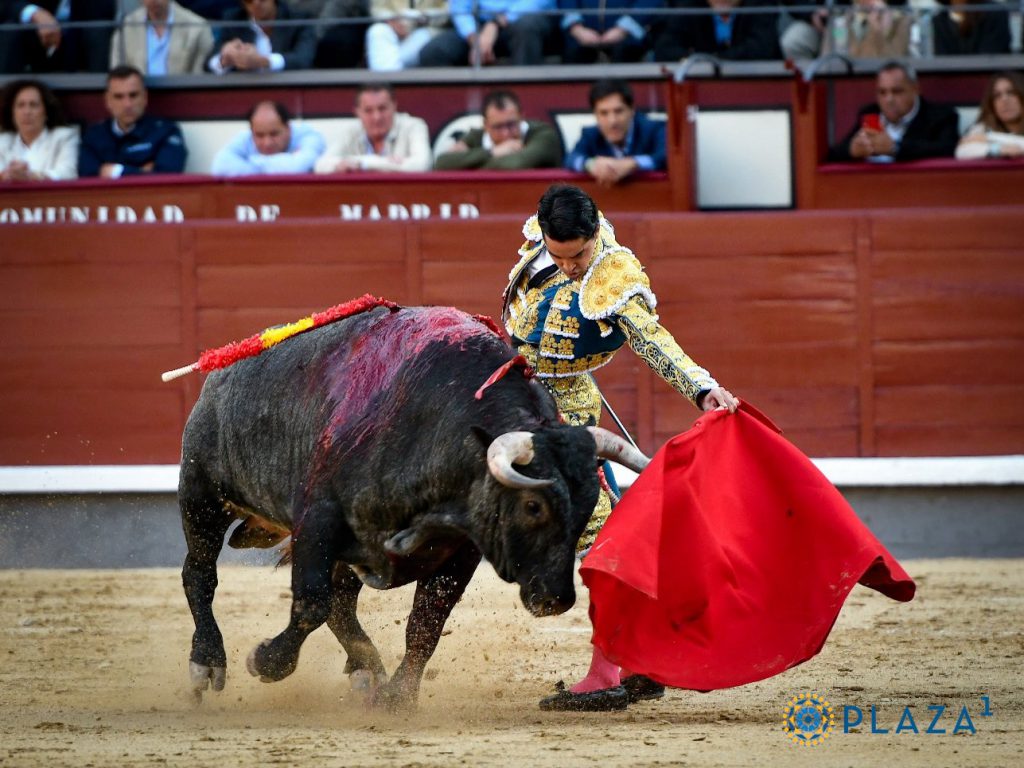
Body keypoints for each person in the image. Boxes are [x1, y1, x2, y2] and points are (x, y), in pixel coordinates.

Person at [500, 184, 738, 711]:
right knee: (602, 529)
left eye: (578, 256)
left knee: (596, 539)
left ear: (593, 238)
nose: (568, 267)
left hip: (567, 415)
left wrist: (702, 387)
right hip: (516, 394)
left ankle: (608, 672)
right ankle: (636, 662)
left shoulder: (614, 277)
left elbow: (653, 341)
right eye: (559, 256)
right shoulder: (546, 242)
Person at [826, 60, 958, 163]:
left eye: (897, 91)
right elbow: (833, 153)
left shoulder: (941, 116)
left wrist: (896, 148)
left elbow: (948, 150)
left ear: (916, 89)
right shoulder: (870, 113)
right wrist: (851, 150)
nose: (889, 99)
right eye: (882, 92)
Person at [78, 65, 187, 178]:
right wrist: (142, 171)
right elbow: (87, 178)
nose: (127, 105)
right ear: (107, 101)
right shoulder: (94, 136)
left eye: (133, 95)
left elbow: (168, 176)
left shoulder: (166, 131)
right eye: (119, 97)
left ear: (145, 97)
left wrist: (116, 171)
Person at [564, 79, 665, 186]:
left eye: (618, 111)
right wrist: (591, 164)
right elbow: (571, 158)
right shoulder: (591, 134)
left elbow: (665, 156)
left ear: (632, 110)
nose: (612, 121)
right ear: (595, 115)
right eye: (604, 113)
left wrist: (633, 163)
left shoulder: (654, 129)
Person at [314, 83, 430, 173]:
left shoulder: (413, 126)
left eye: (382, 108)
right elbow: (320, 165)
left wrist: (362, 163)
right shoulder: (351, 131)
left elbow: (421, 164)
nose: (377, 117)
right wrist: (387, 163)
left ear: (394, 106)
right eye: (368, 110)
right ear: (357, 112)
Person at [433, 90, 562, 170]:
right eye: (498, 127)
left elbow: (514, 165)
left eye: (511, 124)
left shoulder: (543, 134)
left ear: (522, 116)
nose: (506, 133)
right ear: (485, 125)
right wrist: (493, 152)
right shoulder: (476, 136)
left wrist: (468, 164)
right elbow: (441, 163)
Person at [417, 0, 556, 66]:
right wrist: (474, 38)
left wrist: (496, 22)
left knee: (527, 28)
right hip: (478, 26)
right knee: (433, 52)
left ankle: (525, 101)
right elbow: (460, 8)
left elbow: (539, 2)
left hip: (521, 20)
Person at [211, 100, 325, 175]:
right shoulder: (245, 138)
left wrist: (251, 160)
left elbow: (297, 168)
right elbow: (219, 166)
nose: (267, 143)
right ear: (251, 131)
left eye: (274, 134)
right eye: (260, 136)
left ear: (288, 128)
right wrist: (285, 161)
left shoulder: (309, 137)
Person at [0, 0, 116, 74]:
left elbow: (106, 11)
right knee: (10, 30)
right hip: (35, 45)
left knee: (99, 31)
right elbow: (6, 4)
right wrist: (34, 13)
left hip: (77, 49)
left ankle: (98, 98)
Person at [0, 78, 78, 181]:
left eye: (33, 105)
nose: (27, 112)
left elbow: (68, 173)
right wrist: (5, 175)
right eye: (21, 105)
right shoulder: (3, 141)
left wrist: (32, 177)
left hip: (51, 196)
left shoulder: (64, 137)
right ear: (12, 114)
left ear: (46, 112)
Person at [207, 0, 317, 73]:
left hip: (286, 92)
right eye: (249, 0)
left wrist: (262, 61)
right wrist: (225, 59)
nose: (256, 3)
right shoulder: (234, 20)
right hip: (243, 94)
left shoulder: (299, 20)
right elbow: (207, 65)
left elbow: (303, 60)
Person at [109, 0, 215, 75]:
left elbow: (200, 77)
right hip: (137, 101)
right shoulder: (126, 27)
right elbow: (117, 74)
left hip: (182, 100)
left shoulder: (197, 27)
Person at [653, 0, 781, 62]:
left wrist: (714, 59)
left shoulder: (760, 6)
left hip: (756, 83)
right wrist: (696, 59)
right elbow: (664, 48)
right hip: (702, 87)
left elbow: (760, 49)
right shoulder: (690, 7)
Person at [556, 0, 662, 63]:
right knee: (574, 55)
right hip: (582, 34)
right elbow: (567, 2)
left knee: (624, 53)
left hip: (628, 35)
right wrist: (576, 28)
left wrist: (623, 29)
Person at [955, 71, 1024, 160]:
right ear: (991, 104)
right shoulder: (983, 128)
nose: (1004, 100)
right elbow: (962, 151)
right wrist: (996, 149)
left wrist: (989, 137)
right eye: (997, 95)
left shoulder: (984, 136)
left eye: (1011, 92)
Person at [364, 0, 448, 71]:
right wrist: (392, 20)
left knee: (423, 36)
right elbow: (377, 9)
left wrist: (423, 17)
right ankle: (385, 81)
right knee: (377, 30)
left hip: (427, 29)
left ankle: (388, 82)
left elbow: (448, 12)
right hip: (394, 27)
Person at [819, 0, 912, 59]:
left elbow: (896, 64)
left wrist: (878, 31)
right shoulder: (840, 22)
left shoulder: (900, 20)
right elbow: (828, 59)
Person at [931, 0, 1011, 56]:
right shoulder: (939, 20)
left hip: (989, 77)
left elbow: (992, 55)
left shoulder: (995, 12)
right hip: (951, 78)